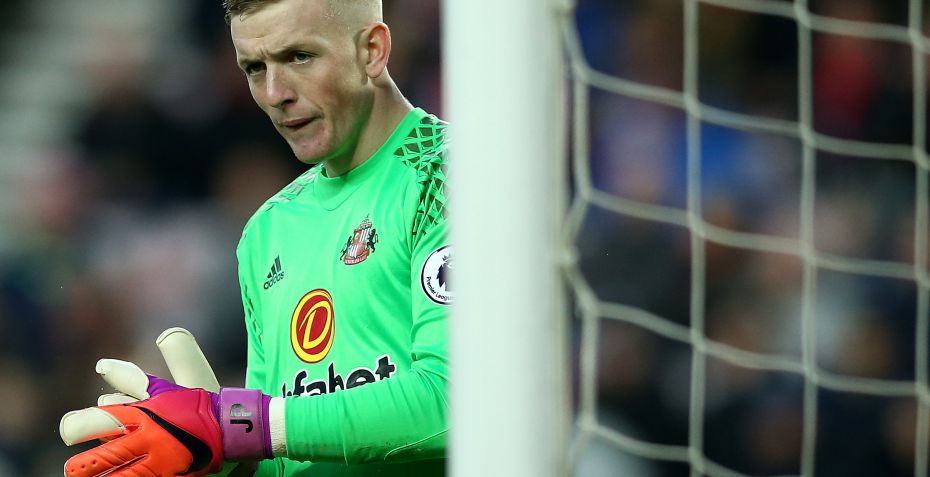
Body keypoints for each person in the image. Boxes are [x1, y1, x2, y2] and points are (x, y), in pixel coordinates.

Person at [59, 0, 450, 475]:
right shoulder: (268, 229)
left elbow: (460, 401)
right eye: (254, 68)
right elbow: (279, 455)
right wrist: (211, 455)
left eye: (299, 57)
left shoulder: (448, 175)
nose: (275, 93)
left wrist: (239, 424)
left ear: (372, 50)